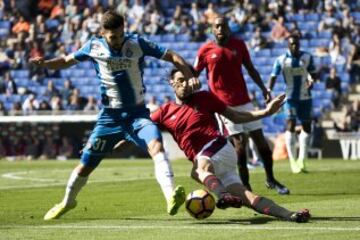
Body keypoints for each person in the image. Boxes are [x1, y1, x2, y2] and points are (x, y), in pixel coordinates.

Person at [30, 10, 200, 220]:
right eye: (113, 37)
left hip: (138, 115)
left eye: (120, 35)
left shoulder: (137, 43)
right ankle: (67, 202)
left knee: (156, 145)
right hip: (109, 118)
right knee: (85, 166)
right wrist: (46, 63)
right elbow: (66, 60)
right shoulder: (93, 46)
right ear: (102, 33)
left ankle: (170, 196)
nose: (118, 41)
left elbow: (173, 56)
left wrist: (191, 76)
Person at [150, 67, 310, 222]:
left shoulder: (204, 97)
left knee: (197, 171)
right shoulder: (164, 111)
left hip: (218, 147)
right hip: (216, 165)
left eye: (188, 80)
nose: (185, 84)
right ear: (171, 82)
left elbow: (235, 116)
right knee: (248, 197)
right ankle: (291, 215)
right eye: (180, 80)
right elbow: (140, 128)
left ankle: (223, 195)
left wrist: (266, 112)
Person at [194, 16, 289, 195]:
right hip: (223, 105)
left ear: (229, 28)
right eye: (217, 26)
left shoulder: (239, 45)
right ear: (212, 30)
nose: (220, 29)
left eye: (223, 26)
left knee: (262, 144)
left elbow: (250, 68)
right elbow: (194, 74)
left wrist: (263, 89)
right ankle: (246, 186)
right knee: (240, 145)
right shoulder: (205, 50)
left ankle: (271, 179)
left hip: (244, 101)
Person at [269, 34, 317, 173]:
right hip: (290, 97)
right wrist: (268, 91)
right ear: (288, 45)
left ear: (299, 44)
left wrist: (312, 80)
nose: (295, 46)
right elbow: (273, 76)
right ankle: (292, 161)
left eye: (296, 43)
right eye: (292, 44)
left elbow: (313, 73)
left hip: (305, 97)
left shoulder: (307, 57)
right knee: (290, 125)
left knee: (307, 126)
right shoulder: (281, 59)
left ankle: (302, 160)